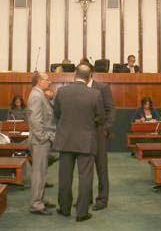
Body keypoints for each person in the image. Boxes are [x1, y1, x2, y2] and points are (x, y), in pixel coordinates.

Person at [53, 63, 104, 222]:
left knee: (64, 177)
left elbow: (57, 114)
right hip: (86, 141)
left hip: (65, 140)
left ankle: (64, 209)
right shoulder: (95, 94)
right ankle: (82, 213)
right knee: (85, 177)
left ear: (75, 75)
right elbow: (101, 118)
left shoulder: (61, 92)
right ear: (89, 77)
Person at [26, 72, 56, 216]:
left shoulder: (40, 94)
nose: (49, 82)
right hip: (39, 141)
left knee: (42, 172)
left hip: (41, 140)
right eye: (46, 79)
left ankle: (40, 199)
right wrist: (44, 137)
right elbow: (35, 120)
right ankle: (36, 204)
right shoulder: (36, 96)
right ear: (39, 81)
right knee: (38, 173)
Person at [88, 63, 115, 211]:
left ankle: (102, 199)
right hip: (82, 134)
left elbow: (111, 109)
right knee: (85, 169)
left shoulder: (102, 88)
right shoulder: (79, 88)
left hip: (99, 134)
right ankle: (86, 198)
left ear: (91, 73)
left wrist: (106, 128)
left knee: (101, 168)